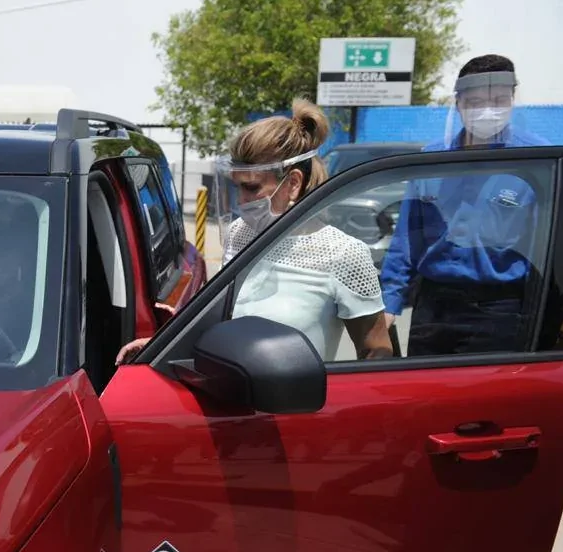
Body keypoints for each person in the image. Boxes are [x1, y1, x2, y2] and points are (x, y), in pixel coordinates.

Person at [116, 99, 392, 364]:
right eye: (238, 187)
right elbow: (222, 319)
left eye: (251, 187)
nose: (241, 201)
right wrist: (163, 347)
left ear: (293, 183)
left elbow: (376, 353)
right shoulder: (239, 233)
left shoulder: (344, 253)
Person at [379, 54, 551, 356]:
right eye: (475, 103)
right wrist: (389, 302)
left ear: (512, 100)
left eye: (498, 100)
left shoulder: (535, 161)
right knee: (425, 396)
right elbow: (406, 239)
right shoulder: (435, 159)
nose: (487, 111)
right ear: (458, 104)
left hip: (502, 310)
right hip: (434, 307)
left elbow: (553, 247)